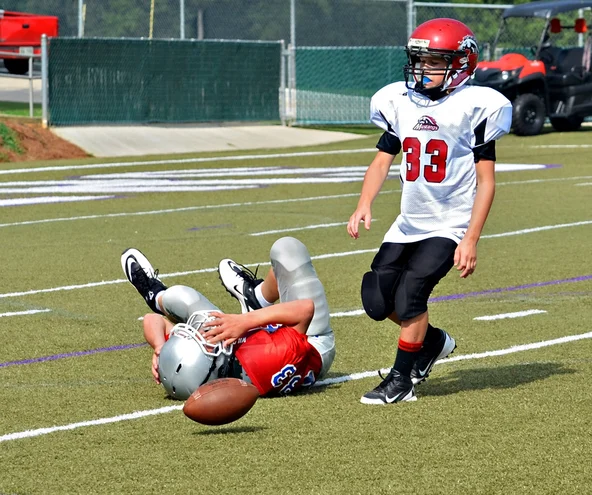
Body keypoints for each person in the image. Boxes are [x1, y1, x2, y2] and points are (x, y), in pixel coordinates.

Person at [347, 18, 512, 405]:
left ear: (462, 63)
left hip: (450, 223)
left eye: (436, 62)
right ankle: (433, 341)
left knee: (410, 299)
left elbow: (486, 182)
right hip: (409, 222)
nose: (424, 69)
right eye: (420, 60)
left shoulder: (474, 106)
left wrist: (470, 238)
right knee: (376, 300)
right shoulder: (400, 102)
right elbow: (382, 160)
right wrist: (364, 203)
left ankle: (401, 380)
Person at [120, 237, 335, 400]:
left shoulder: (205, 364)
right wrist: (246, 321)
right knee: (287, 250)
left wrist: (160, 348)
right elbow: (305, 310)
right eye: (201, 340)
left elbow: (151, 320)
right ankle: (256, 298)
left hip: (247, 345)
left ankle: (154, 294)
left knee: (182, 297)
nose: (199, 332)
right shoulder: (264, 361)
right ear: (211, 361)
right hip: (311, 339)